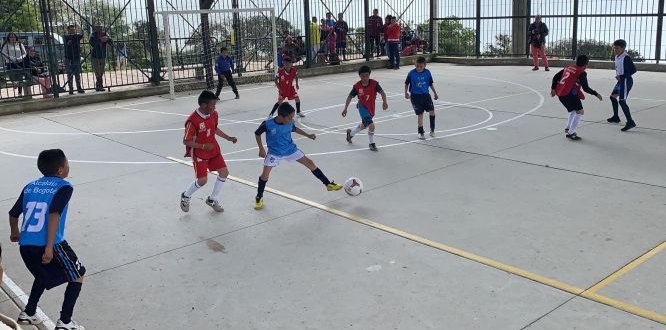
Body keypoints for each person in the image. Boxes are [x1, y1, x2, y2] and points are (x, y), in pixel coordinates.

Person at [8, 149, 86, 330]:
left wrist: (14, 233)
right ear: (61, 170)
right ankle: (65, 322)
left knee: (42, 274)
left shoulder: (30, 186)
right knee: (78, 275)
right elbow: (54, 214)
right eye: (67, 164)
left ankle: (28, 312)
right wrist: (49, 247)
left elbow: (13, 213)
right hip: (51, 244)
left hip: (26, 245)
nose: (68, 167)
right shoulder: (64, 187)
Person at [253, 103, 342, 210]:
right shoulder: (268, 124)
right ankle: (259, 197)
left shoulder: (289, 122)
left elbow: (295, 129)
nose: (291, 120)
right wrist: (261, 148)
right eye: (290, 118)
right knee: (265, 176)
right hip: (274, 152)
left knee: (310, 163)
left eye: (292, 117)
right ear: (281, 116)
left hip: (290, 149)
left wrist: (308, 135)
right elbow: (257, 134)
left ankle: (328, 184)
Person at [180, 91, 238, 213]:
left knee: (224, 172)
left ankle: (212, 199)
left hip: (213, 149)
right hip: (199, 152)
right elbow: (186, 141)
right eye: (213, 104)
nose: (215, 107)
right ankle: (186, 196)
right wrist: (202, 146)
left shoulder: (214, 114)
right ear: (203, 105)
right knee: (202, 180)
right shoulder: (192, 121)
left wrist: (228, 138)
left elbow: (214, 128)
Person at [551, 55, 603, 140]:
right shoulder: (581, 72)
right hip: (569, 94)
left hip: (560, 94)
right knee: (580, 112)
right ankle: (571, 133)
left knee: (573, 110)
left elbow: (556, 76)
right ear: (586, 64)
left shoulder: (568, 67)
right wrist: (596, 94)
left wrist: (553, 88)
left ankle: (568, 128)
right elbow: (586, 88)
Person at [343, 65, 388, 151]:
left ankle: (350, 133)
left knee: (364, 125)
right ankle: (371, 144)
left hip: (371, 107)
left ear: (369, 75)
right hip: (362, 107)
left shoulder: (374, 84)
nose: (365, 78)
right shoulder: (357, 86)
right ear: (359, 76)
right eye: (362, 76)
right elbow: (350, 97)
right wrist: (345, 108)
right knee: (371, 126)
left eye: (366, 75)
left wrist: (384, 102)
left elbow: (382, 92)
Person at [405, 56, 439, 139]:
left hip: (426, 95)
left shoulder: (427, 73)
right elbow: (406, 83)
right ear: (415, 65)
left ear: (425, 65)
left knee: (432, 112)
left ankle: (432, 130)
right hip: (415, 96)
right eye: (417, 66)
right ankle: (420, 132)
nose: (419, 68)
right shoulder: (411, 73)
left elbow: (430, 83)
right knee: (420, 114)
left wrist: (435, 93)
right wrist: (405, 92)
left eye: (421, 66)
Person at [607, 39, 637, 132]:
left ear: (623, 48)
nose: (614, 50)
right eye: (614, 48)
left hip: (626, 81)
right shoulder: (617, 56)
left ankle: (630, 122)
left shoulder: (626, 57)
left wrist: (622, 76)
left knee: (622, 101)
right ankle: (616, 117)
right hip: (621, 81)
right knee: (612, 97)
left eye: (617, 48)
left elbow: (633, 70)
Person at [89, 23, 112, 91]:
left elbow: (111, 42)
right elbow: (92, 43)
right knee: (97, 71)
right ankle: (100, 85)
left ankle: (98, 85)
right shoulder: (93, 34)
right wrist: (100, 40)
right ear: (95, 28)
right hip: (95, 55)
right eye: (98, 27)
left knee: (101, 71)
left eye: (100, 27)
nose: (99, 28)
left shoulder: (105, 33)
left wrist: (107, 39)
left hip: (103, 55)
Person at [63, 25, 85, 94]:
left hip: (76, 57)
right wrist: (75, 37)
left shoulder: (77, 36)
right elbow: (68, 40)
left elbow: (82, 34)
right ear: (68, 31)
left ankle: (79, 88)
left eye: (74, 30)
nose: (73, 31)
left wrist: (77, 33)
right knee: (69, 74)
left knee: (77, 74)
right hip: (68, 58)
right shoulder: (66, 37)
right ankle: (71, 89)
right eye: (71, 30)